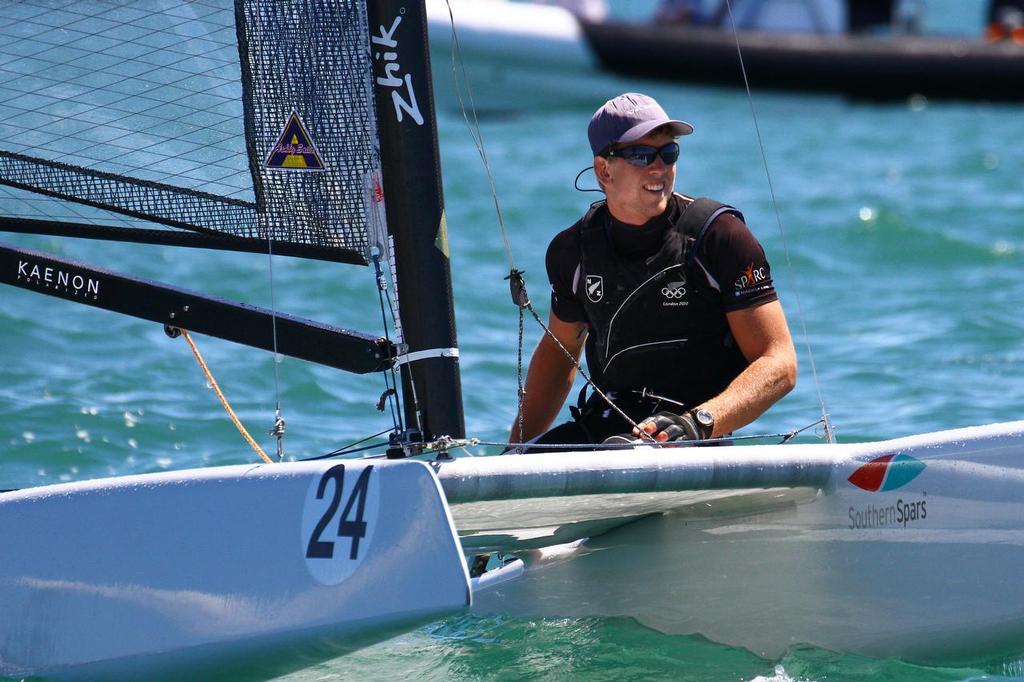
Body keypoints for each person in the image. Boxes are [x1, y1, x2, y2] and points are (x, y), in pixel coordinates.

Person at [509, 93, 796, 449]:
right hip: (606, 428)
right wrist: (512, 452)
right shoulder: (573, 251)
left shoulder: (720, 238)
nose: (659, 167)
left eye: (668, 153)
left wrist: (700, 423)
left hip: (691, 436)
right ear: (604, 170)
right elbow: (560, 353)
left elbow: (779, 362)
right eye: (642, 155)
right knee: (522, 462)